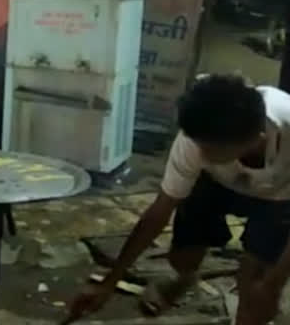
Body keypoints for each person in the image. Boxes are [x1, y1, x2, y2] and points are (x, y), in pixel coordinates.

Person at [69, 75, 290, 325]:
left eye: (210, 151)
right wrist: (110, 282)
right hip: (215, 184)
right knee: (182, 256)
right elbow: (160, 211)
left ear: (256, 140)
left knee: (255, 288)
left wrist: (274, 282)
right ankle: (186, 277)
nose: (200, 153)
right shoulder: (196, 137)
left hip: (281, 195)